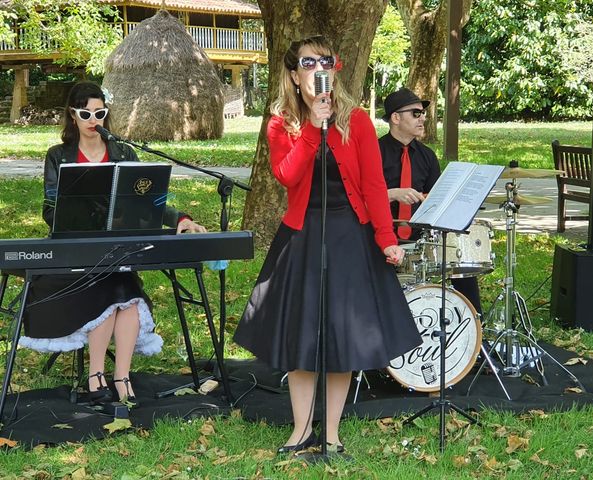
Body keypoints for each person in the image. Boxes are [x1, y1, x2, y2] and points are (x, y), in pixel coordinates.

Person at [233, 36, 421, 454]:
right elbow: (287, 176)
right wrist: (314, 130)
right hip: (302, 237)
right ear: (294, 75)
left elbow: (374, 187)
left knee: (344, 340)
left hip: (350, 237)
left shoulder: (356, 122)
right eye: (308, 62)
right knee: (302, 338)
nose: (320, 69)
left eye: (327, 61)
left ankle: (331, 435)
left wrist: (386, 240)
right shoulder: (281, 122)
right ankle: (301, 431)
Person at [19, 81, 205, 406]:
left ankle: (121, 376)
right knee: (110, 288)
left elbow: (150, 202)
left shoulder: (123, 152)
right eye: (86, 113)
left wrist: (180, 219)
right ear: (72, 115)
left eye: (100, 113)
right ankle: (95, 376)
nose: (94, 120)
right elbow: (51, 211)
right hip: (75, 253)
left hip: (115, 252)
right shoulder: (58, 155)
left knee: (126, 295)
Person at [379, 87, 484, 315]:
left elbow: (437, 201)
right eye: (416, 113)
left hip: (420, 239)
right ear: (395, 118)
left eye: (423, 113)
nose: (423, 118)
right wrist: (392, 193)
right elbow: (359, 198)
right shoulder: (375, 151)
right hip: (381, 239)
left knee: (460, 266)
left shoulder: (427, 156)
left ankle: (475, 327)